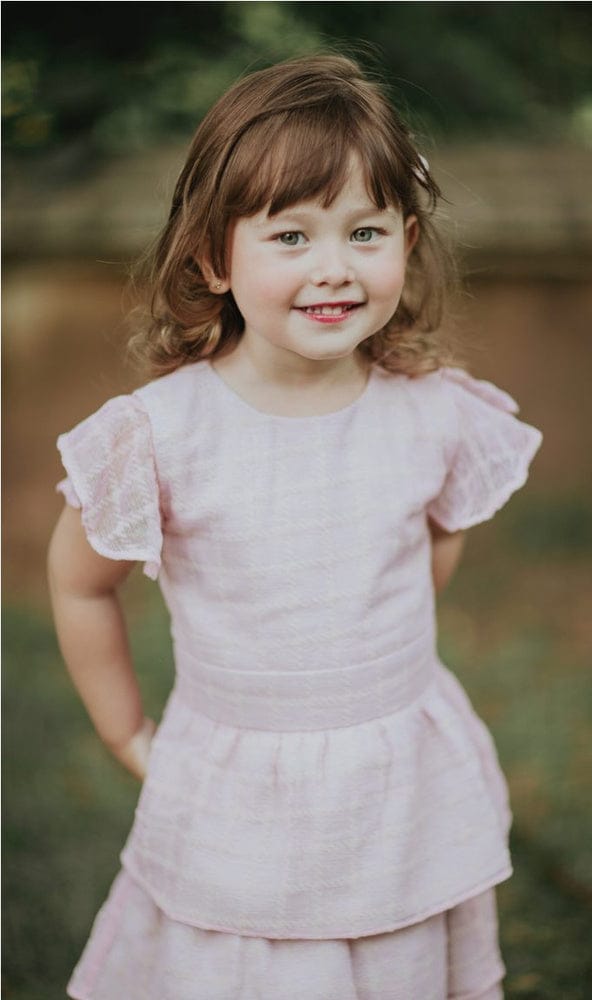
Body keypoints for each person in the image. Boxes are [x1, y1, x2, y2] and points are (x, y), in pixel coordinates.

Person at [48, 54, 542, 1000]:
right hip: (237, 787)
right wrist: (126, 733)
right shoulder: (163, 436)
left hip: (393, 781)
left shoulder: (430, 411)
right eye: (290, 235)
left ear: (406, 235)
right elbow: (78, 581)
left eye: (364, 231)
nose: (334, 268)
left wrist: (373, 642)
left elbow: (440, 528)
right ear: (212, 259)